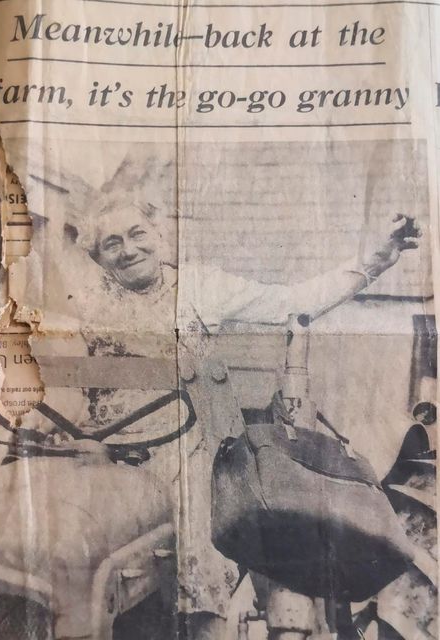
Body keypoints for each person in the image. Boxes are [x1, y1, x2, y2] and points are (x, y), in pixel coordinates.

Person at [69, 173, 421, 640]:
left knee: (196, 508)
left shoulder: (198, 286)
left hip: (185, 443)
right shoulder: (86, 304)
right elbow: (71, 385)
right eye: (111, 243)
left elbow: (294, 303)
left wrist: (376, 259)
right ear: (97, 256)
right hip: (108, 449)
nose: (128, 249)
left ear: (160, 235)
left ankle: (205, 622)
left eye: (137, 234)